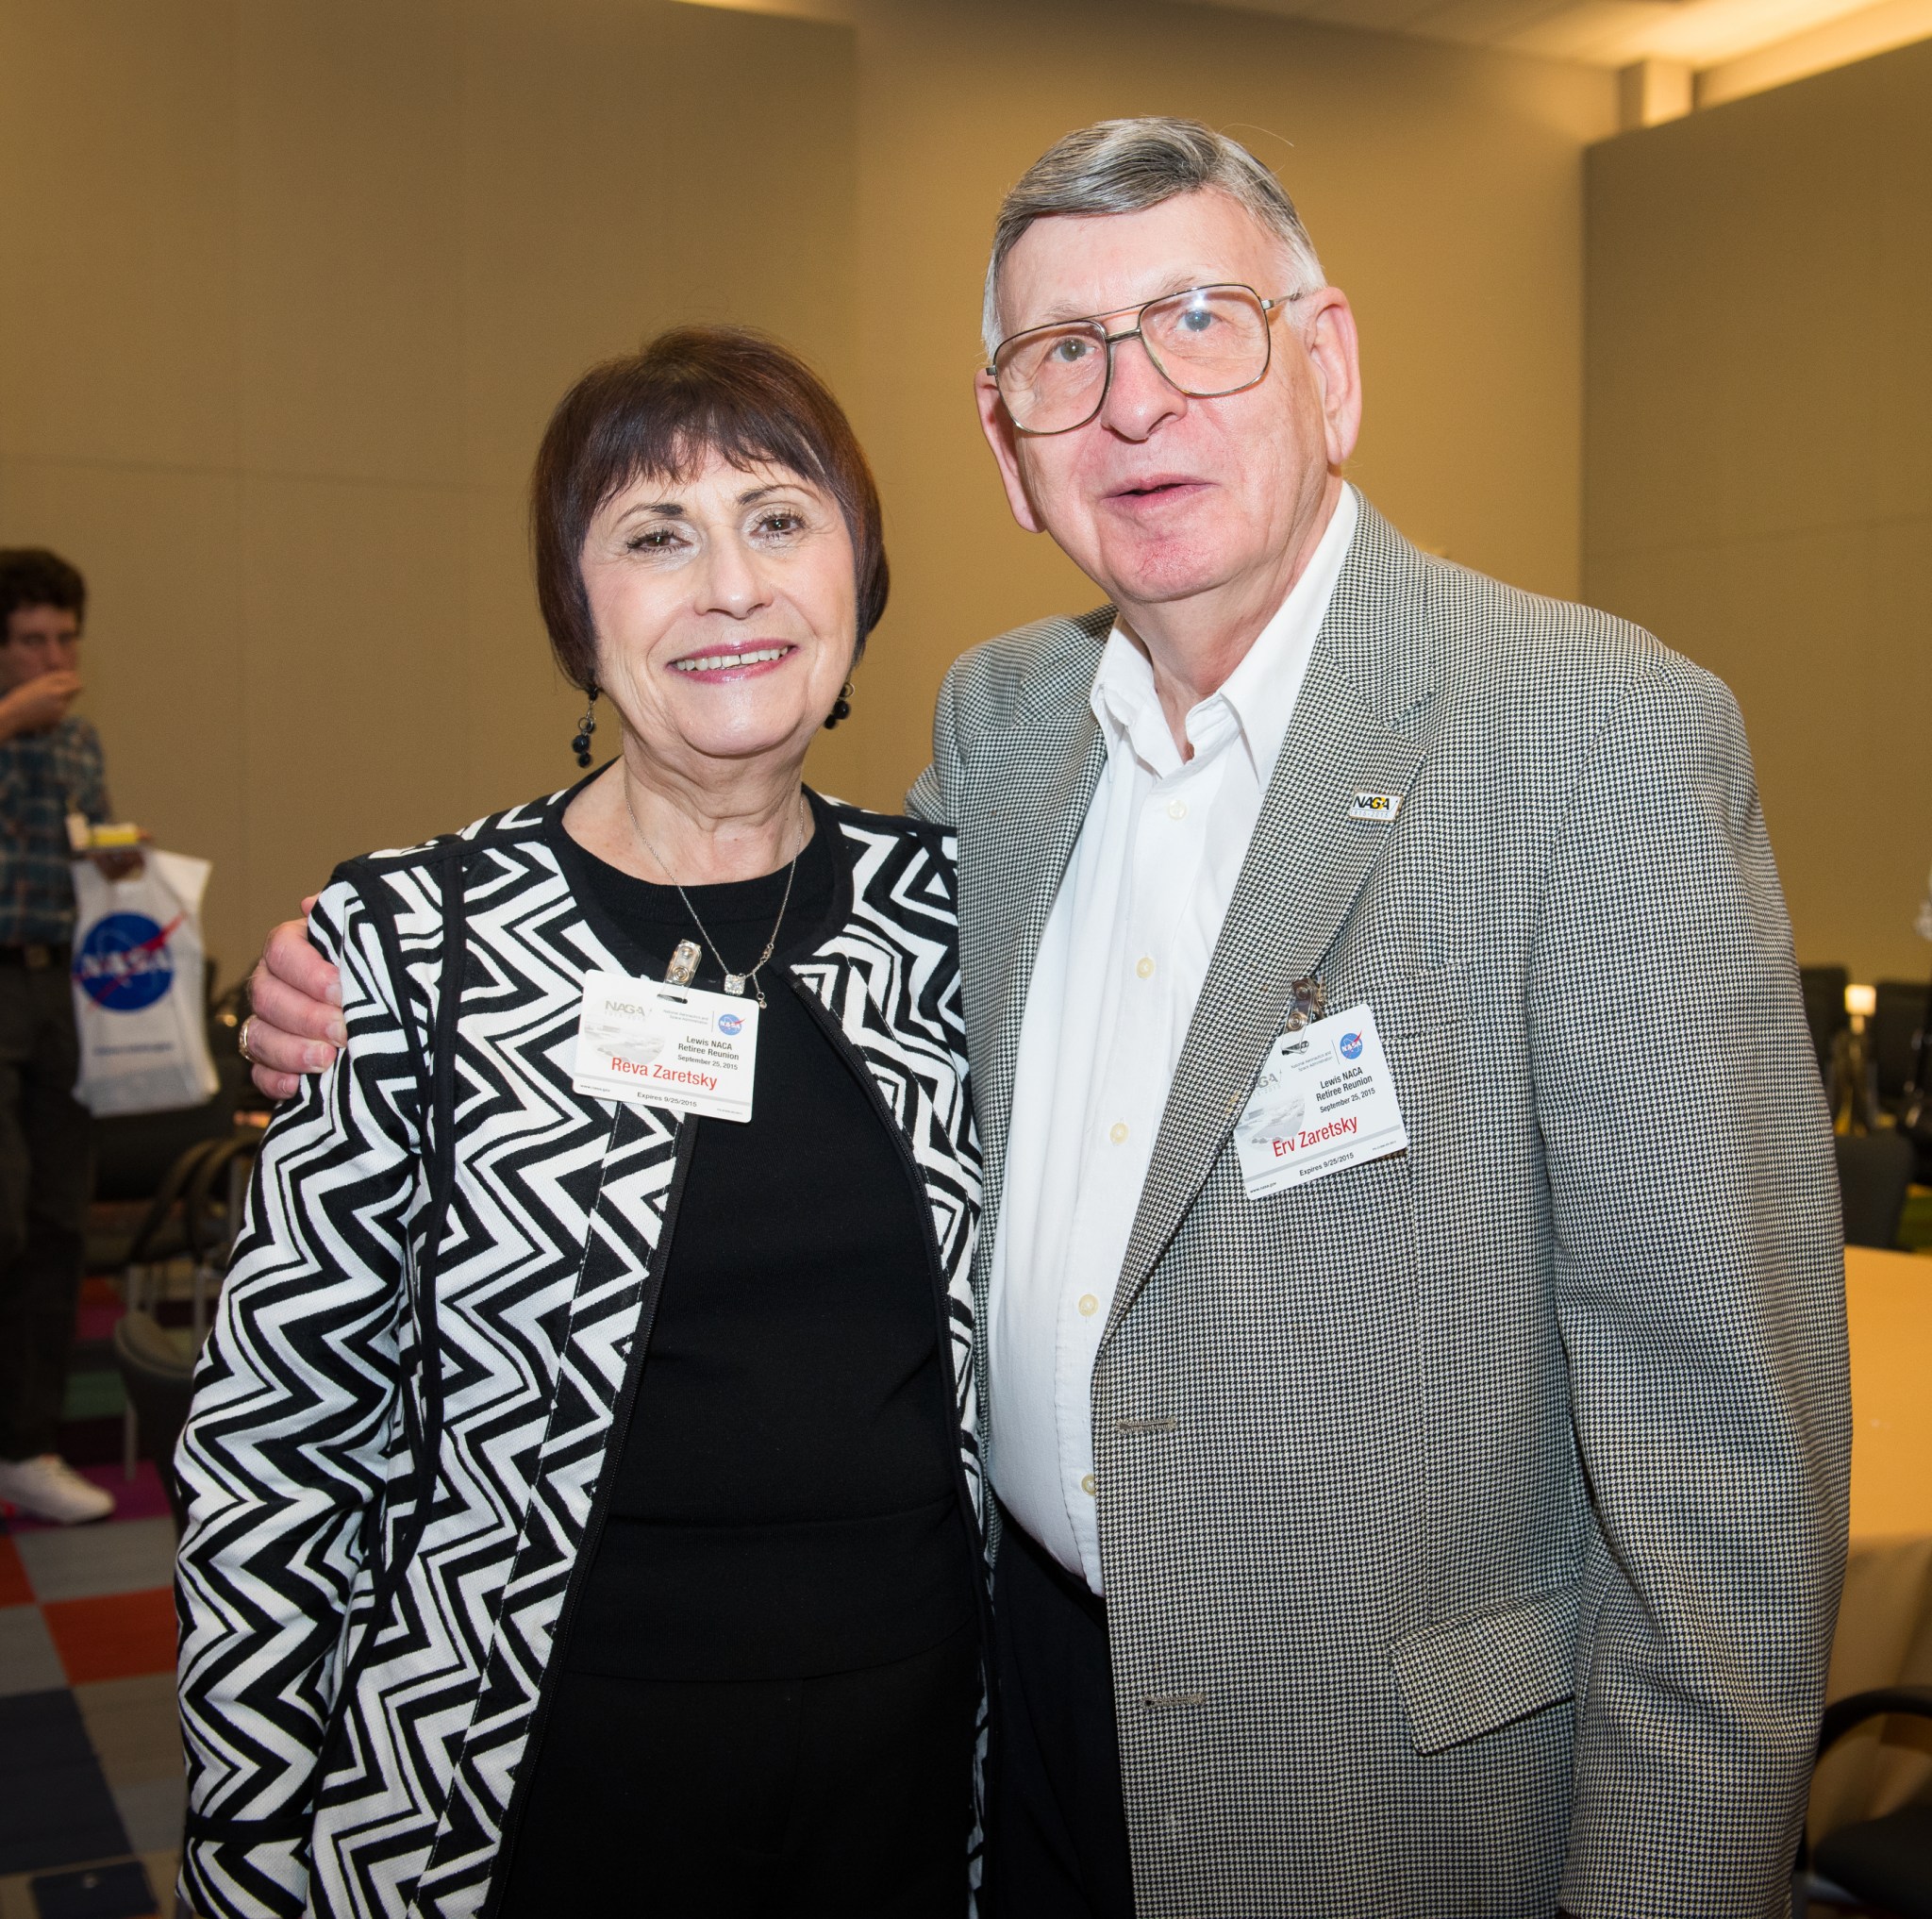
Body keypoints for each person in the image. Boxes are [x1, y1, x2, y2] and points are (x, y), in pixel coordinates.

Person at [246, 121, 1851, 1919]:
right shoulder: (1005, 733)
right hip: (1005, 1745)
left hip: (1383, 1787)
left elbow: (1716, 1434)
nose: (1133, 400)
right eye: (1059, 359)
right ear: (1008, 456)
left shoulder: (1593, 731)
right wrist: (362, 969)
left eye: (1194, 320)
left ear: (1325, 363)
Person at [175, 330, 987, 1919]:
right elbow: (280, 1443)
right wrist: (261, 1832)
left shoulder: (960, 921)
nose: (729, 586)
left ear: (858, 571)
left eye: (777, 517)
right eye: (653, 536)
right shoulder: (423, 942)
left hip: (916, 1780)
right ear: (576, 609)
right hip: (513, 1773)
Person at [0, 547, 131, 1527]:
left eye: (64, 637)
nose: (53, 654)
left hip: (64, 992)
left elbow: (99, 852)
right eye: (31, 639)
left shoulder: (81, 741)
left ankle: (27, 1443)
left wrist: (127, 863)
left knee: (55, 1221)